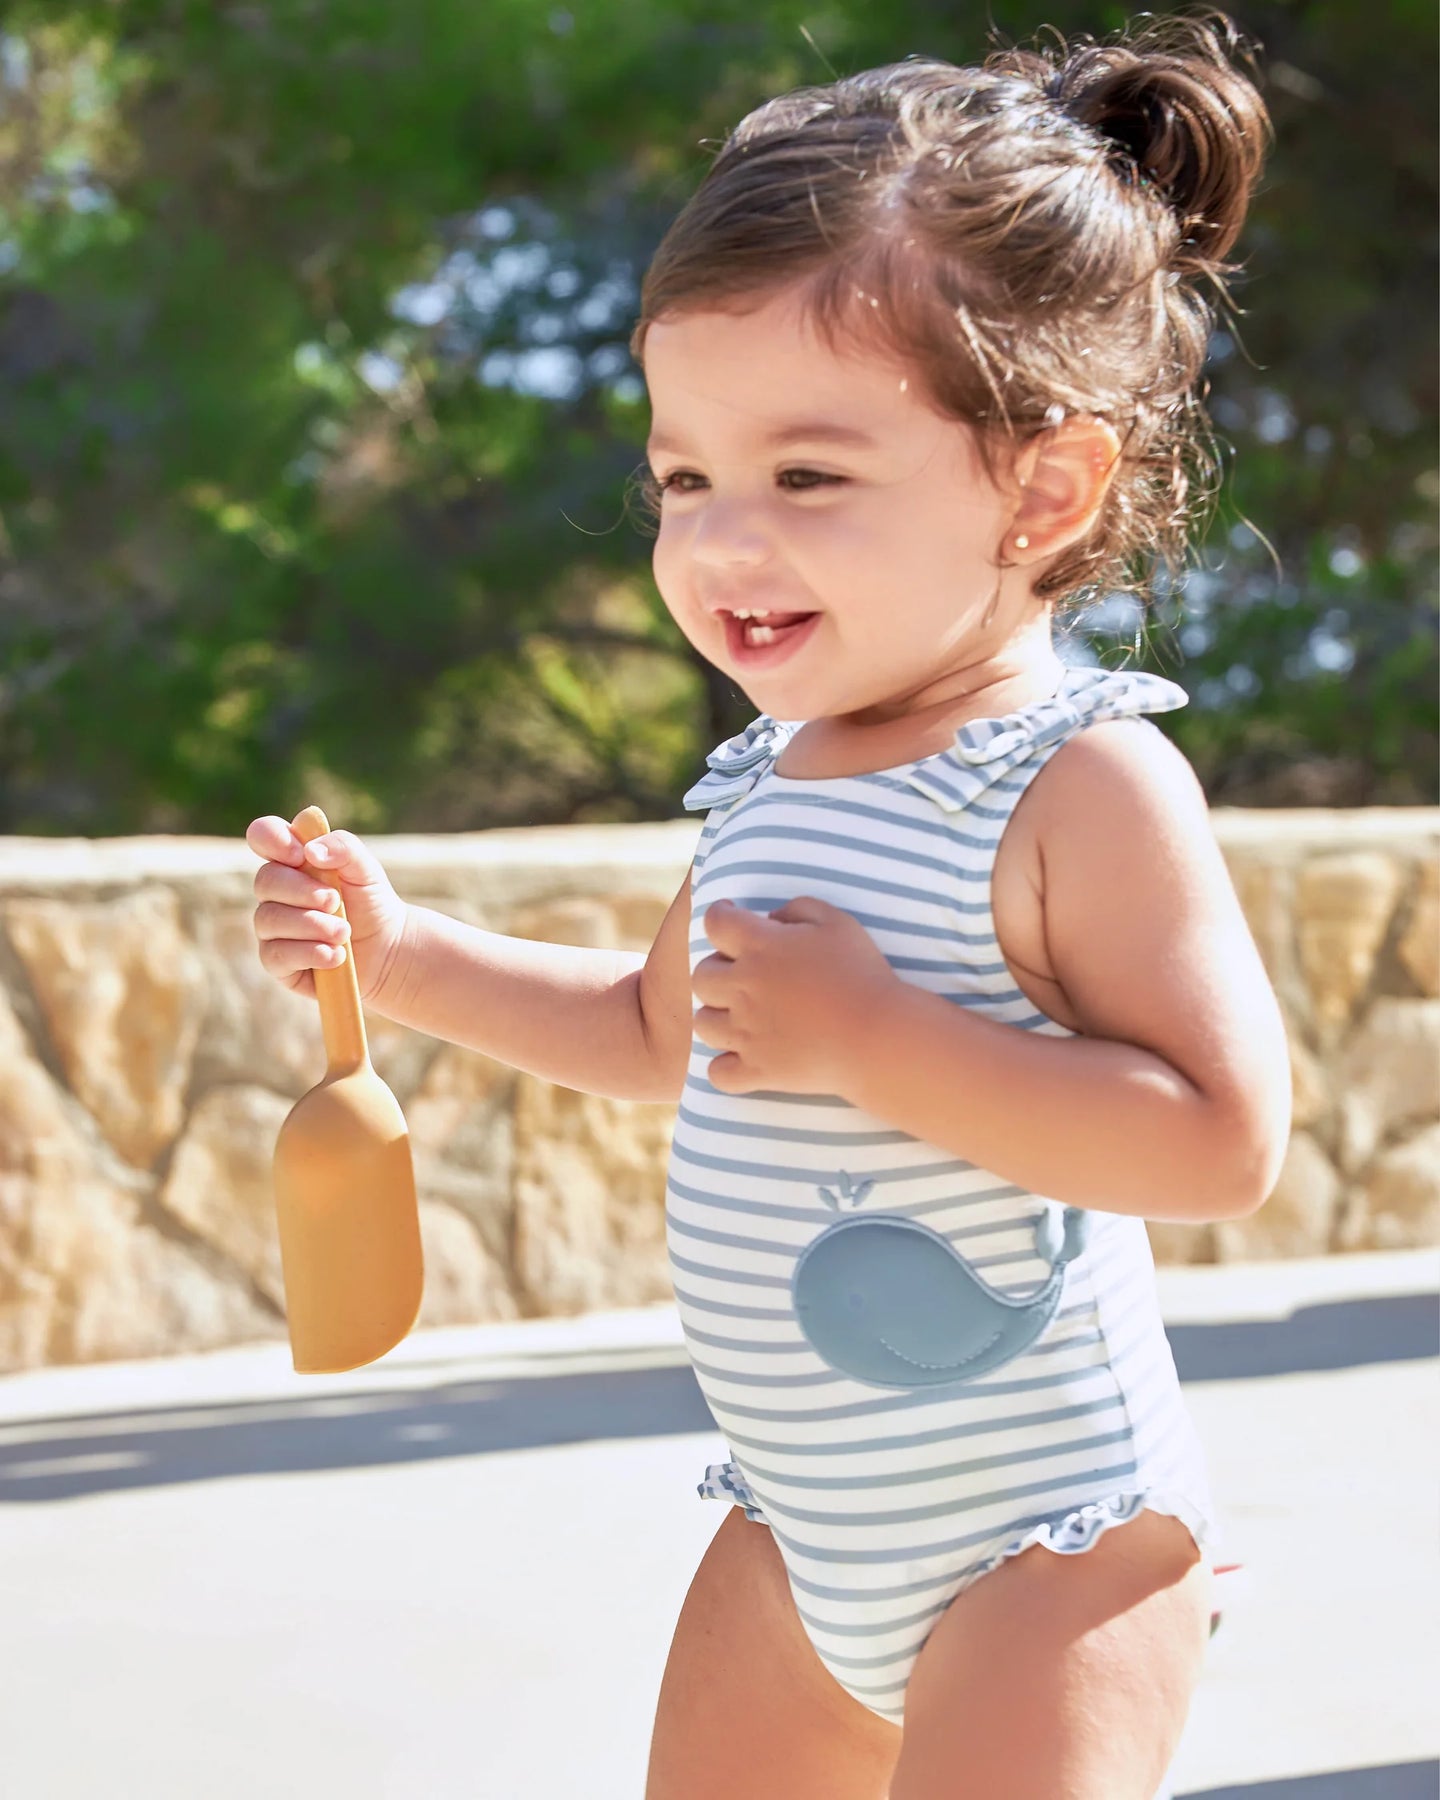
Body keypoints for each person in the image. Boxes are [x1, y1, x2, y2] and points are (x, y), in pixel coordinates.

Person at [248, 10, 1292, 1796]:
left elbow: (1217, 1141)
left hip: (1052, 1551)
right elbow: (659, 1034)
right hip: (806, 1532)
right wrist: (404, 957)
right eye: (686, 478)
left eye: (808, 475)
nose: (725, 539)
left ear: (1045, 488)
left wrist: (879, 1041)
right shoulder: (769, 782)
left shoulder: (1077, 783)